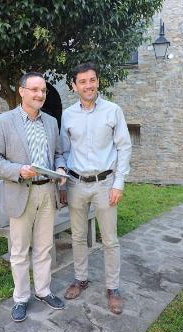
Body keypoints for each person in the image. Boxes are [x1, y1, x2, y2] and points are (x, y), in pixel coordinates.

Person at [0, 72, 67, 322]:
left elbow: (58, 154)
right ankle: (21, 297)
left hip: (47, 192)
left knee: (44, 247)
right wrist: (18, 170)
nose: (39, 95)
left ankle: (43, 290)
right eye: (34, 90)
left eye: (42, 90)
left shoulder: (51, 122)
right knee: (19, 251)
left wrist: (61, 168)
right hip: (21, 191)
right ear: (21, 91)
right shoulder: (3, 121)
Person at [60, 62, 132, 314]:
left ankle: (113, 287)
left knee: (110, 239)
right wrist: (62, 178)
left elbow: (124, 147)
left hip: (105, 184)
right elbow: (63, 151)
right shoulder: (68, 115)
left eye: (92, 80)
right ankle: (81, 279)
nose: (88, 85)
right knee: (78, 237)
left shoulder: (113, 111)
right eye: (82, 81)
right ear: (74, 86)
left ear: (97, 81)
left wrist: (119, 183)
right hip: (76, 184)